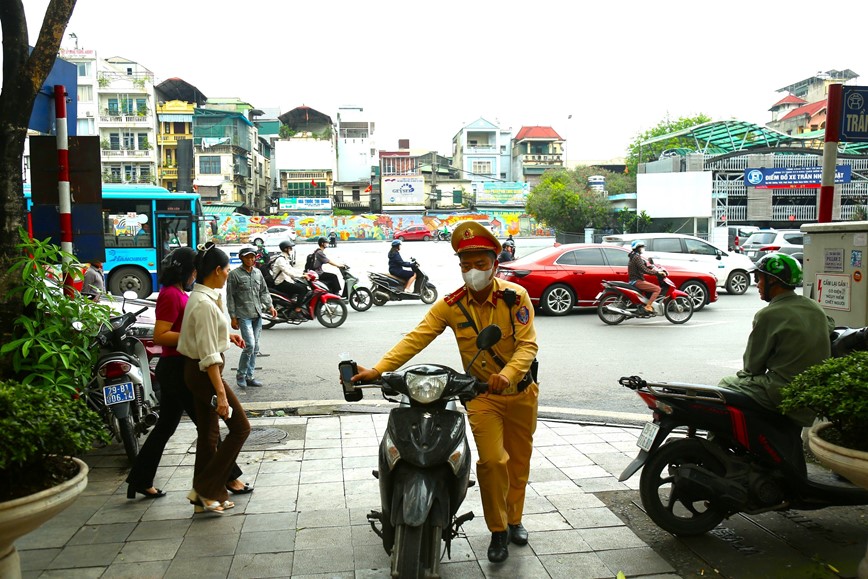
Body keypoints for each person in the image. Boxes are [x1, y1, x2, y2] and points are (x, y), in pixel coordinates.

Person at [352, 221, 539, 564]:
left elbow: (527, 347)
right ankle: (498, 530)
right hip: (482, 397)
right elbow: (416, 337)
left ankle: (515, 520)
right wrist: (377, 370)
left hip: (522, 393)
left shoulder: (515, 298)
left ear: (495, 263)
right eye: (466, 265)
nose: (473, 272)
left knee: (518, 464)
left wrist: (508, 373)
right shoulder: (452, 305)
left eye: (480, 264)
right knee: (493, 462)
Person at [126, 247, 251, 500]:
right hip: (177, 368)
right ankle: (222, 481)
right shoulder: (171, 295)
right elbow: (161, 335)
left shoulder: (184, 294)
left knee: (170, 427)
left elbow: (201, 330)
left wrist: (223, 334)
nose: (196, 274)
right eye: (194, 269)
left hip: (182, 365)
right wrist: (199, 338)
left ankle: (140, 479)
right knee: (211, 429)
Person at [719, 253, 834, 427]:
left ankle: (715, 447)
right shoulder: (814, 306)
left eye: (760, 278)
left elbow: (752, 367)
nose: (757, 284)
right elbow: (830, 325)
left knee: (725, 385)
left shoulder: (768, 315)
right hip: (813, 392)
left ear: (772, 280)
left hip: (783, 391)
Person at [177, 242, 250, 514]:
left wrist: (227, 335)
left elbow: (208, 333)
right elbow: (209, 355)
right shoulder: (203, 304)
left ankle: (203, 497)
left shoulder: (204, 296)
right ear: (217, 270)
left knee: (208, 434)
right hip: (204, 373)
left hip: (199, 371)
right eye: (228, 269)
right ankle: (207, 490)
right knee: (241, 428)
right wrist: (220, 394)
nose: (229, 274)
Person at [227, 247, 277, 389]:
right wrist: (232, 316)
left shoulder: (258, 273)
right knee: (249, 345)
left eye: (252, 257)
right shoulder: (234, 275)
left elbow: (264, 291)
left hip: (257, 314)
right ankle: (240, 375)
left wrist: (270, 306)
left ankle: (250, 376)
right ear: (241, 258)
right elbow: (230, 297)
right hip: (243, 315)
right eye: (247, 257)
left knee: (256, 347)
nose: (250, 259)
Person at [272, 240, 307, 310]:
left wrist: (303, 273)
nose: (291, 250)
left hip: (286, 281)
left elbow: (292, 269)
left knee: (304, 286)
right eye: (290, 248)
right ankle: (298, 309)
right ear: (285, 249)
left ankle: (292, 304)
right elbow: (288, 272)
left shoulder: (285, 258)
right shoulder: (280, 260)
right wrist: (302, 276)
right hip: (281, 283)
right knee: (303, 289)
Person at [628, 240, 660, 312]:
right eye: (642, 247)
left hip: (634, 280)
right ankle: (648, 306)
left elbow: (641, 267)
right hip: (637, 281)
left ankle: (645, 305)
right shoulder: (637, 257)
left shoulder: (633, 255)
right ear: (637, 248)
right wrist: (656, 273)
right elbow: (644, 270)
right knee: (657, 289)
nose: (643, 248)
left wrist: (650, 268)